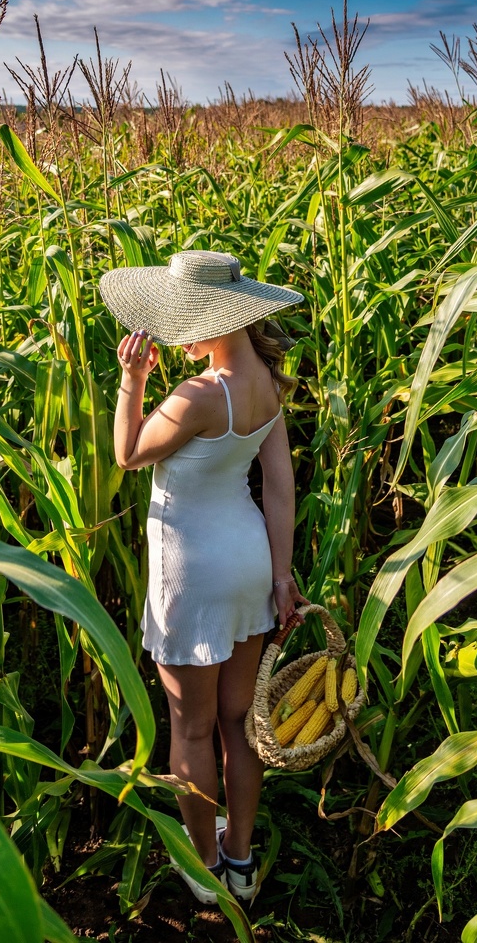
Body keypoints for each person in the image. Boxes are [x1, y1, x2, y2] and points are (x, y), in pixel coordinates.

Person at [99, 249, 306, 905]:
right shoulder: (267, 382)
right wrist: (281, 578)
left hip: (192, 572)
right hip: (247, 563)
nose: (173, 328)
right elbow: (278, 488)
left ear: (216, 319)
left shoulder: (198, 394)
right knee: (238, 720)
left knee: (189, 730)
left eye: (183, 317)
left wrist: (131, 378)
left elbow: (127, 454)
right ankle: (240, 861)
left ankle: (204, 872)